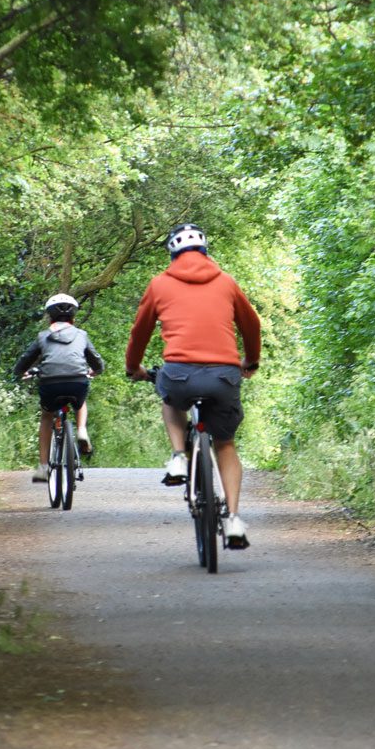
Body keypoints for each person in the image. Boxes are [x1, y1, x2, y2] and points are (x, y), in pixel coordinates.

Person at [125, 223, 261, 548]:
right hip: (224, 374)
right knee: (225, 444)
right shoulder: (226, 281)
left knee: (169, 397)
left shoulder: (159, 284)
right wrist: (250, 361)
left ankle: (178, 457)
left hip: (180, 373)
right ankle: (234, 521)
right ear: (205, 251)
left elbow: (140, 332)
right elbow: (251, 323)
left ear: (172, 252)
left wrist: (134, 368)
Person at [14, 293, 105, 482]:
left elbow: (25, 359)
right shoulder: (82, 335)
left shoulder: (43, 336)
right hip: (77, 382)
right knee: (80, 401)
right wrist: (95, 371)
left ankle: (43, 467)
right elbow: (96, 360)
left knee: (47, 416)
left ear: (49, 316)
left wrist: (21, 372)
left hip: (50, 385)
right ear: (74, 317)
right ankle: (81, 430)